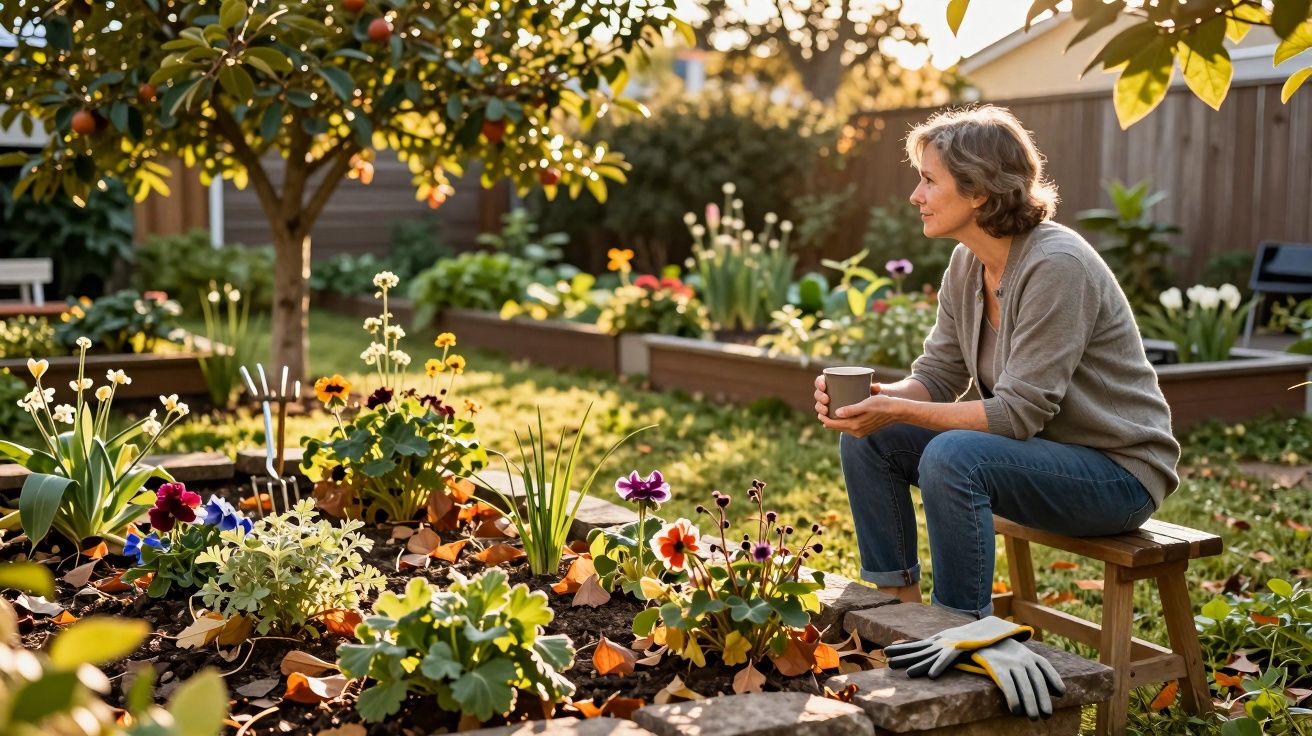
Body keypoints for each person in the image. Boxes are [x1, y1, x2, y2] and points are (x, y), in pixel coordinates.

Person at [813, 105, 1180, 618]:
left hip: (1116, 476)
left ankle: (960, 629)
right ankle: (895, 612)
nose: (915, 195)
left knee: (954, 455)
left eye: (929, 180)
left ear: (979, 191)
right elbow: (938, 376)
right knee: (870, 438)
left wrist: (896, 410)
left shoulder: (1057, 265)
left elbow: (1016, 415)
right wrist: (874, 402)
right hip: (1033, 459)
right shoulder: (968, 263)